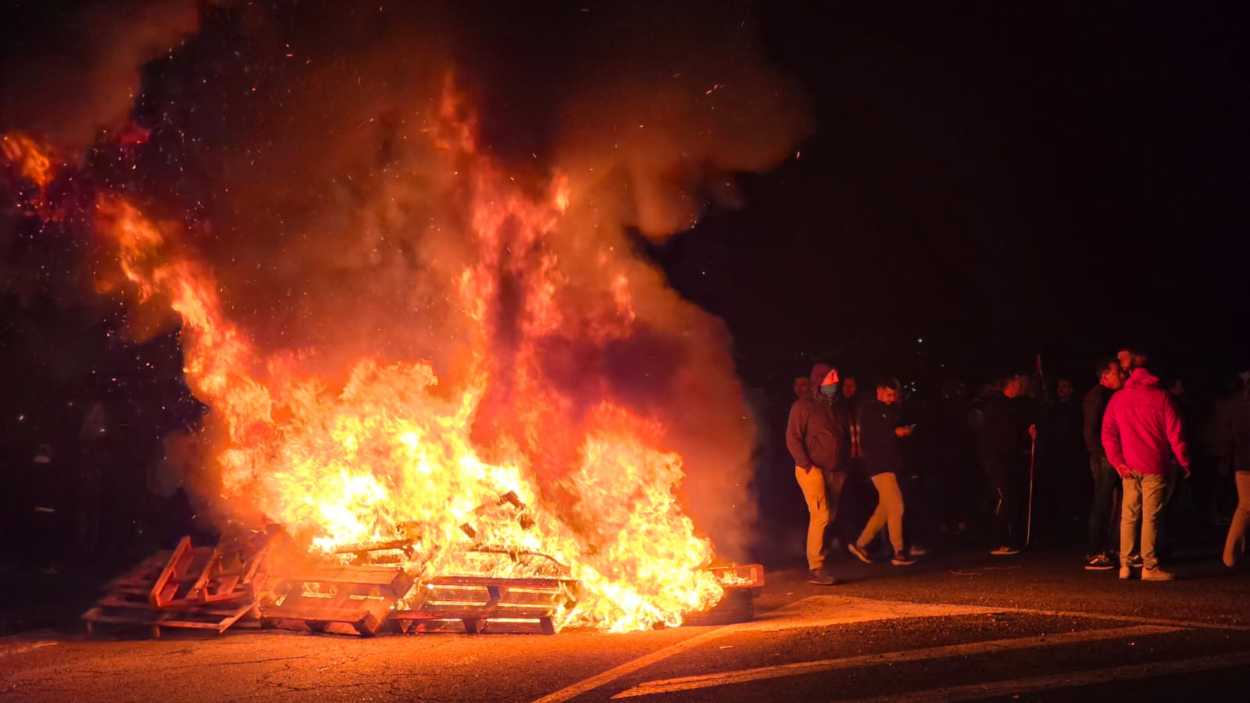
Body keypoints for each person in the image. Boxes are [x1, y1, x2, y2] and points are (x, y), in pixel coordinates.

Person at [1101, 363, 1191, 581]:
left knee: (1128, 516)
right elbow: (1175, 434)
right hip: (1154, 465)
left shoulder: (1118, 399)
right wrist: (1184, 462)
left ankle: (1126, 564)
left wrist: (1118, 462)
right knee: (1151, 517)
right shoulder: (1162, 398)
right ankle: (1149, 565)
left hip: (1128, 468)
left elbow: (1108, 434)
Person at [786, 363, 850, 585]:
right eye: (829, 381)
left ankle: (819, 555)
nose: (834, 385)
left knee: (829, 516)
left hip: (835, 470)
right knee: (821, 515)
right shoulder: (803, 406)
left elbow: (844, 436)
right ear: (819, 382)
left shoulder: (838, 407)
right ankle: (816, 567)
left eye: (835, 381)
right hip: (811, 469)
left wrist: (844, 464)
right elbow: (792, 438)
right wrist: (806, 464)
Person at [847, 379, 917, 566]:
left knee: (884, 510)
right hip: (879, 466)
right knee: (896, 506)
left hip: (891, 466)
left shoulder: (892, 409)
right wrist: (896, 433)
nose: (891, 398)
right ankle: (899, 552)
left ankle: (860, 543)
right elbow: (872, 439)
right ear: (879, 391)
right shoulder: (870, 411)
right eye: (888, 394)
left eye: (894, 395)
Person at [976, 372, 1039, 556]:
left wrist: (1027, 433)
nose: (1022, 385)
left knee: (1009, 496)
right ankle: (998, 540)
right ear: (1011, 384)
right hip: (995, 459)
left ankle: (1006, 537)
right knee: (1003, 496)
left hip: (1005, 458)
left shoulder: (1012, 405)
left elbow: (1013, 431)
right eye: (1019, 382)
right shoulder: (996, 404)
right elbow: (1000, 435)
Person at [1082, 359, 1123, 570]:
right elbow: (1090, 431)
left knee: (1113, 503)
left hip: (1108, 456)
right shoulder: (1096, 397)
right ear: (1105, 375)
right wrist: (1103, 454)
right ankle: (1094, 552)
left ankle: (1109, 549)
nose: (1122, 376)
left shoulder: (1107, 395)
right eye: (1118, 372)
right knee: (1102, 502)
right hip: (1104, 457)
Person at [1218, 370, 1250, 567]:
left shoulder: (1235, 405)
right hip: (1245, 462)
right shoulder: (1239, 406)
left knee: (1245, 506)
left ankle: (1235, 553)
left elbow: (1228, 437)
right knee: (1245, 507)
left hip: (1241, 463)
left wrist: (1226, 461)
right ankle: (1230, 555)